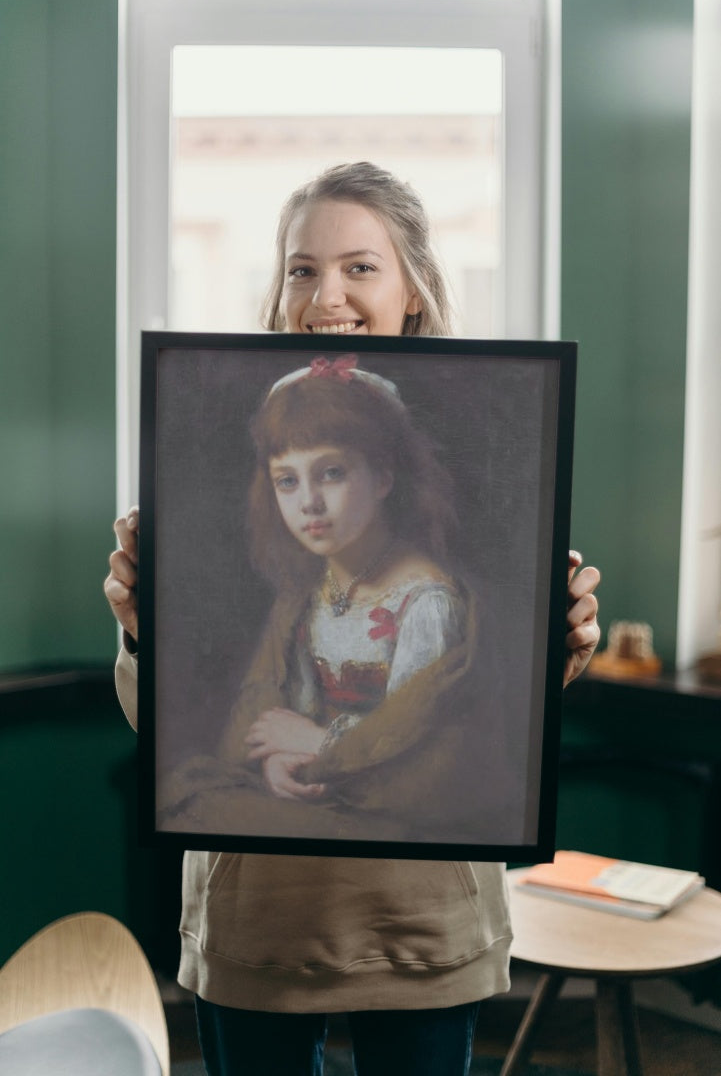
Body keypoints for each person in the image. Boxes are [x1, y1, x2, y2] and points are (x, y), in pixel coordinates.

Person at [105, 161, 601, 1076]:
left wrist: (552, 652)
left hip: (415, 918)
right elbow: (174, 725)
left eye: (359, 267)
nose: (324, 293)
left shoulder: (443, 579)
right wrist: (144, 632)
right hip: (259, 916)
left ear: (413, 287)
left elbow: (472, 725)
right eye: (301, 268)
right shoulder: (295, 589)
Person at [157, 354, 517, 846]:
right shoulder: (307, 594)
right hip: (315, 794)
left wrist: (316, 745)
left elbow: (413, 752)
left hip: (389, 810)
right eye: (288, 480)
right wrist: (278, 761)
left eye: (331, 473)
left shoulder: (427, 603)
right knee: (191, 798)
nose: (308, 502)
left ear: (384, 476)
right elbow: (279, 716)